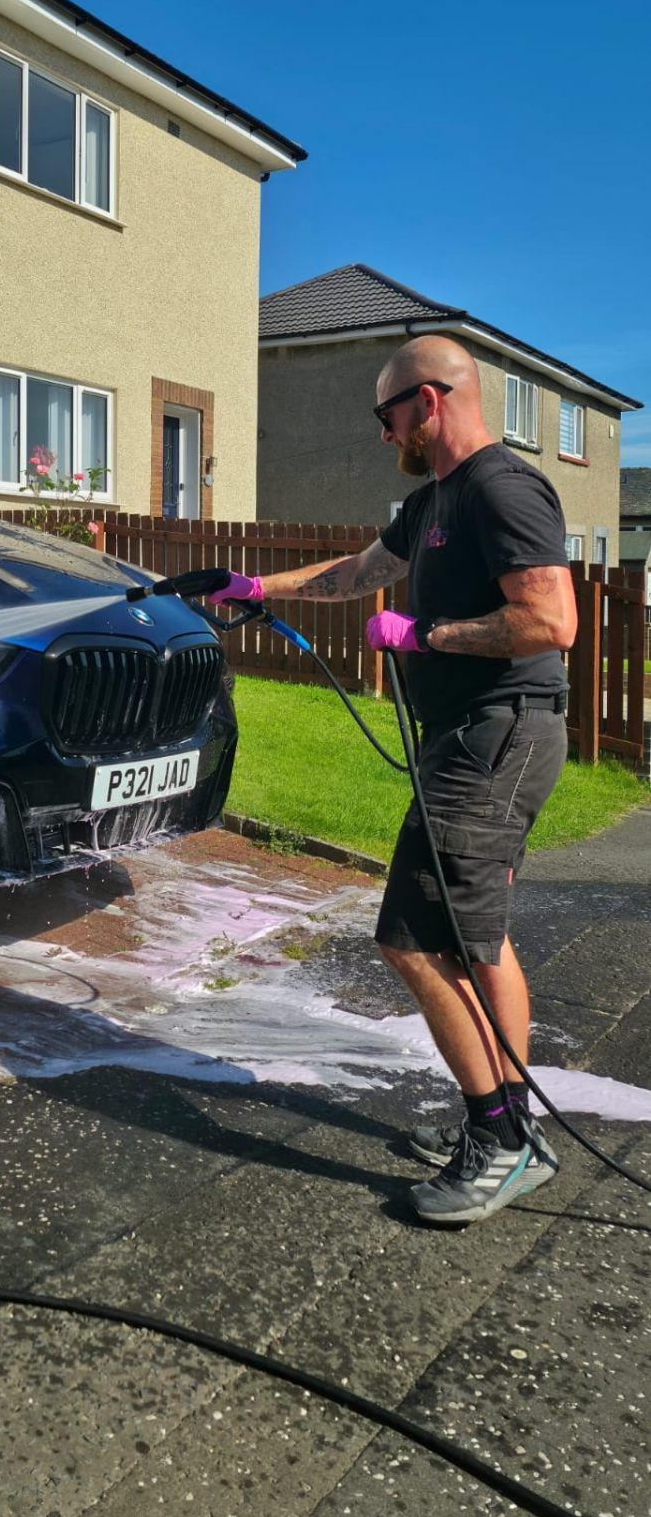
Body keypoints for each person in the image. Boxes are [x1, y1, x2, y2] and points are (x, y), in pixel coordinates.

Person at [207, 334, 577, 1226]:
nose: (382, 434)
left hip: (497, 739)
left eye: (386, 414)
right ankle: (513, 1126)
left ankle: (496, 1141)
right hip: (474, 739)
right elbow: (354, 573)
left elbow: (549, 620)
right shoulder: (432, 502)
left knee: (411, 940)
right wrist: (258, 586)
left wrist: (426, 636)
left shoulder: (500, 488)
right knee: (478, 940)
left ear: (428, 401)